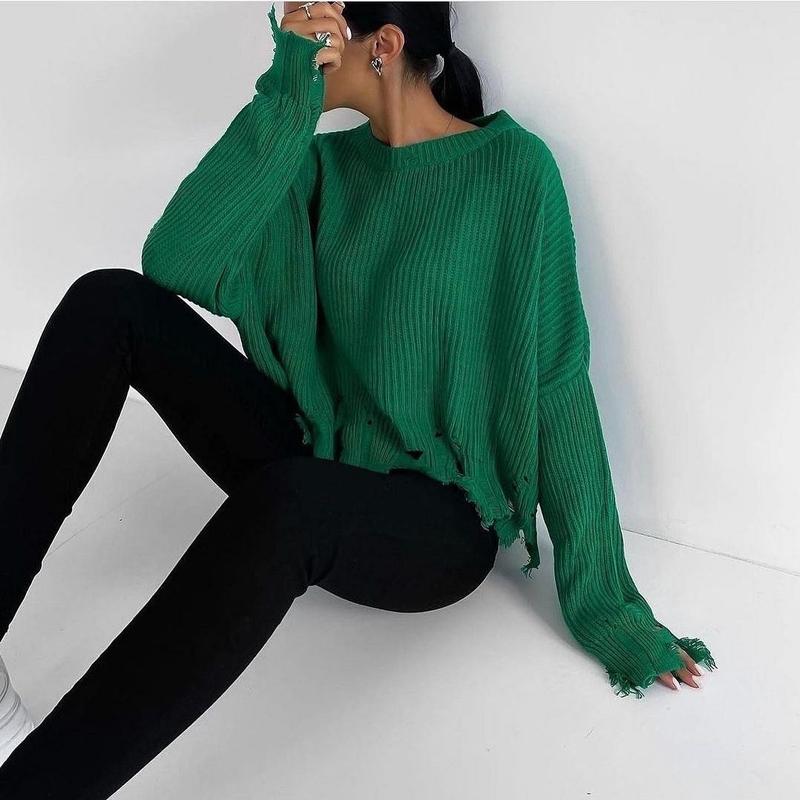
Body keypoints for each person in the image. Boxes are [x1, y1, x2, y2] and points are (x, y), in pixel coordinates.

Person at [0, 1, 716, 796]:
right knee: (108, 304)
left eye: (315, 23)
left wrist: (608, 604)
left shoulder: (514, 173)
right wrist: (286, 93)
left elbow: (556, 385)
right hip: (318, 449)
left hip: (438, 520)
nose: (293, 37)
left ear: (384, 45)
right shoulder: (320, 164)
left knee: (292, 500)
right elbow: (174, 259)